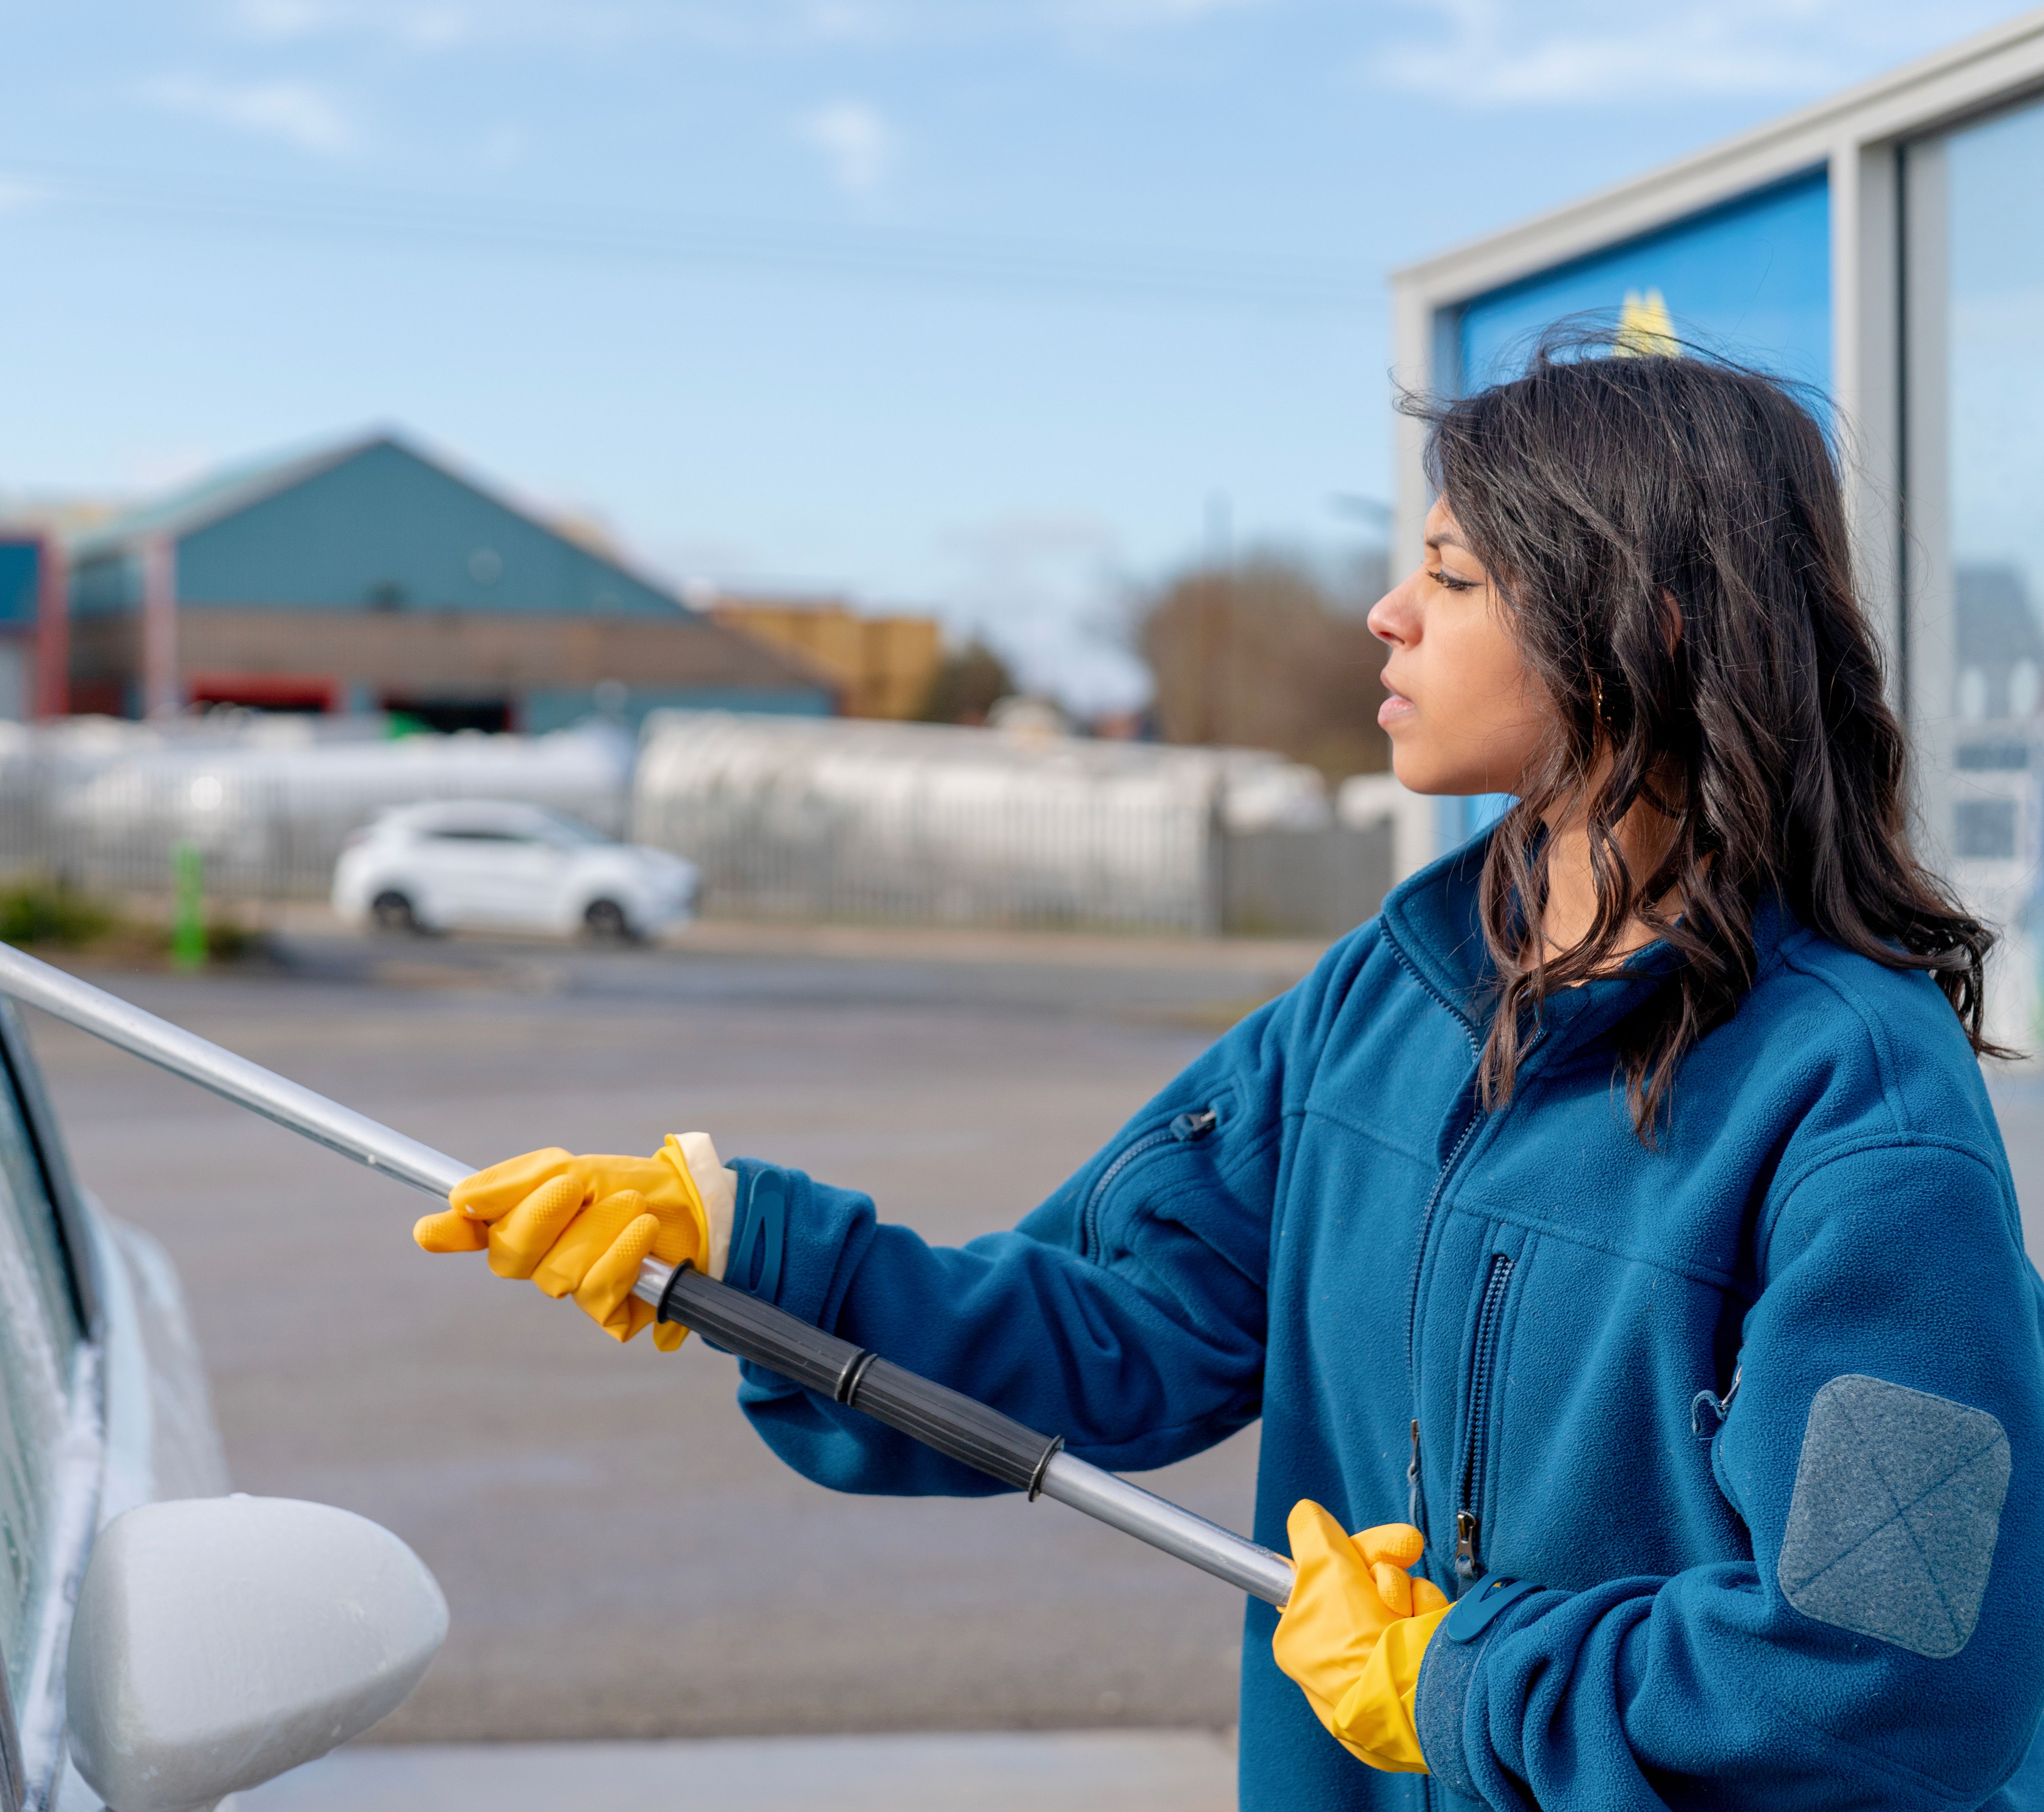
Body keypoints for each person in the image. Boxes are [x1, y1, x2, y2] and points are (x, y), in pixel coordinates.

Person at [414, 338, 2044, 1809]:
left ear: (1648, 621)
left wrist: (1465, 1689)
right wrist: (751, 1251)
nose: (1386, 615)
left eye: (1455, 577)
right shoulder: (1383, 1007)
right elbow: (1113, 1331)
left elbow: (1896, 1660)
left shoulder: (1856, 1108)